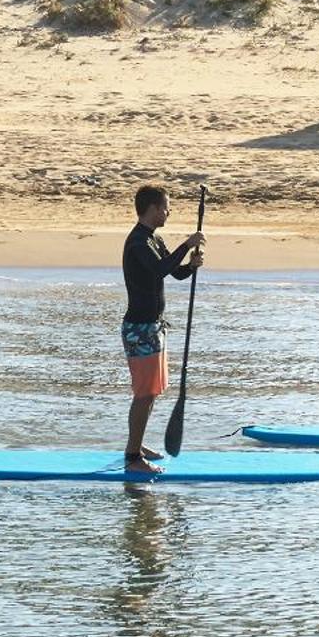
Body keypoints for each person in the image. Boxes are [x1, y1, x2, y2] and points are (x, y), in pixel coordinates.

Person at [121, 184, 204, 474]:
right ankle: (132, 458)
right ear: (154, 209)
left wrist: (191, 265)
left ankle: (137, 443)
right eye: (166, 207)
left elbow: (173, 271)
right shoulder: (138, 243)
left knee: (152, 392)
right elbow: (158, 270)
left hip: (154, 327)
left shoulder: (154, 239)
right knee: (144, 393)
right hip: (139, 329)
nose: (169, 212)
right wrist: (186, 243)